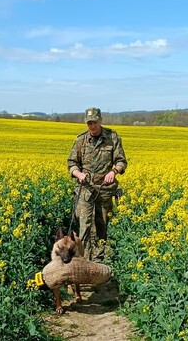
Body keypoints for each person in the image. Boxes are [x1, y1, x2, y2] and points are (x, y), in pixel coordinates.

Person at [67, 107, 127, 262]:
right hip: (86, 188)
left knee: (101, 225)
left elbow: (121, 161)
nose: (91, 126)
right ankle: (84, 259)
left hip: (105, 189)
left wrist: (113, 172)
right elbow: (71, 163)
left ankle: (98, 261)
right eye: (88, 123)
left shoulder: (112, 137)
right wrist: (79, 174)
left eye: (94, 122)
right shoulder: (81, 140)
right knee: (84, 225)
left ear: (100, 120)